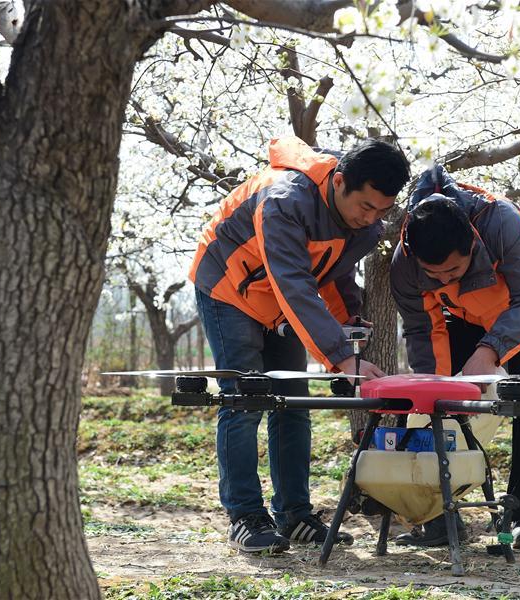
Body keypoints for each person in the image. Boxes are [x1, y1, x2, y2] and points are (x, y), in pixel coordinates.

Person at [190, 136, 411, 553]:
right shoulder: (283, 201)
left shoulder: (362, 225)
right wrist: (342, 358)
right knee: (245, 399)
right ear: (341, 182)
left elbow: (330, 273)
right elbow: (294, 283)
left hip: (279, 301)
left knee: (292, 403)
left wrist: (347, 322)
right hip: (228, 288)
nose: (371, 218)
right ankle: (245, 516)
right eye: (366, 206)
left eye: (382, 210)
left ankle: (294, 514)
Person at [389, 165, 520, 549]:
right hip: (466, 315)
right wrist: (436, 389)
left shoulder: (499, 222)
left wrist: (490, 351)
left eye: (453, 269)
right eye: (432, 274)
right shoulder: (404, 263)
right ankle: (436, 516)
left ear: (472, 242)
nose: (442, 280)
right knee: (438, 405)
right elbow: (422, 330)